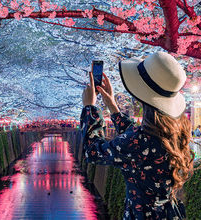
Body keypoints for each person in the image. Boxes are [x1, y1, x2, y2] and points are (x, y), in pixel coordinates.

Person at [81, 52, 193, 219]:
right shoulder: (176, 130)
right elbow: (136, 139)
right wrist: (112, 107)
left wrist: (90, 108)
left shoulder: (138, 141)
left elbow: (92, 152)